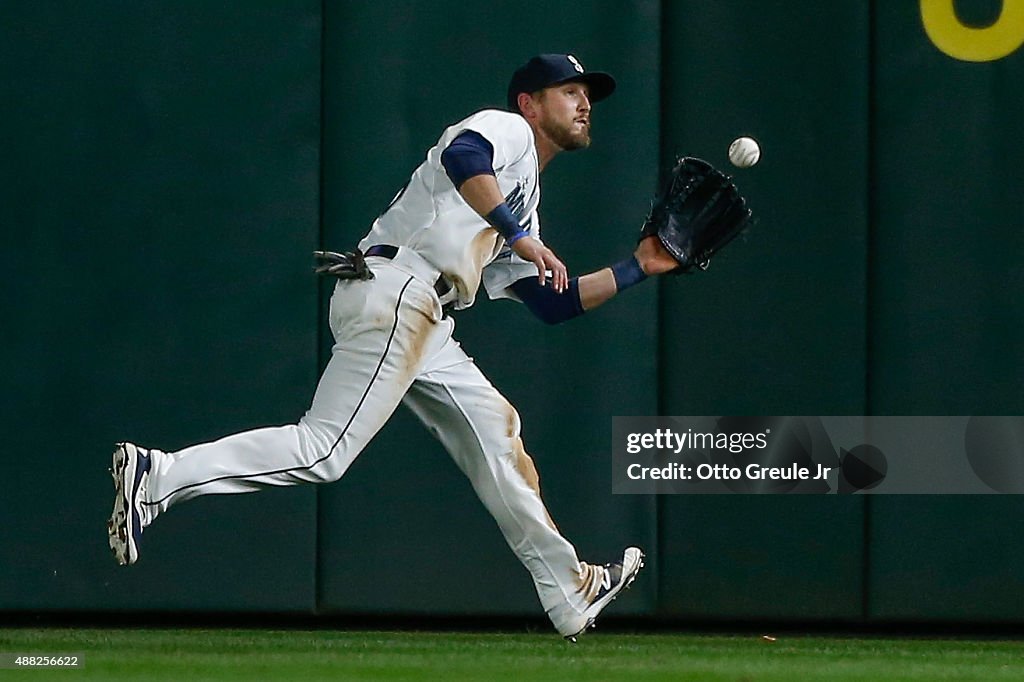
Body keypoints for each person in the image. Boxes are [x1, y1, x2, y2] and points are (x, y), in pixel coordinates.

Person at [107, 53, 678, 640]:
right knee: (322, 450)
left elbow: (551, 302)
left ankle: (569, 590)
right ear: (529, 104)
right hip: (401, 292)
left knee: (495, 433)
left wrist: (639, 266)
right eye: (568, 91)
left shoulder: (523, 197)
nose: (584, 103)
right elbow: (464, 158)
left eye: (588, 94)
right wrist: (517, 234)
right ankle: (159, 476)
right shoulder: (506, 131)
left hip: (424, 313)